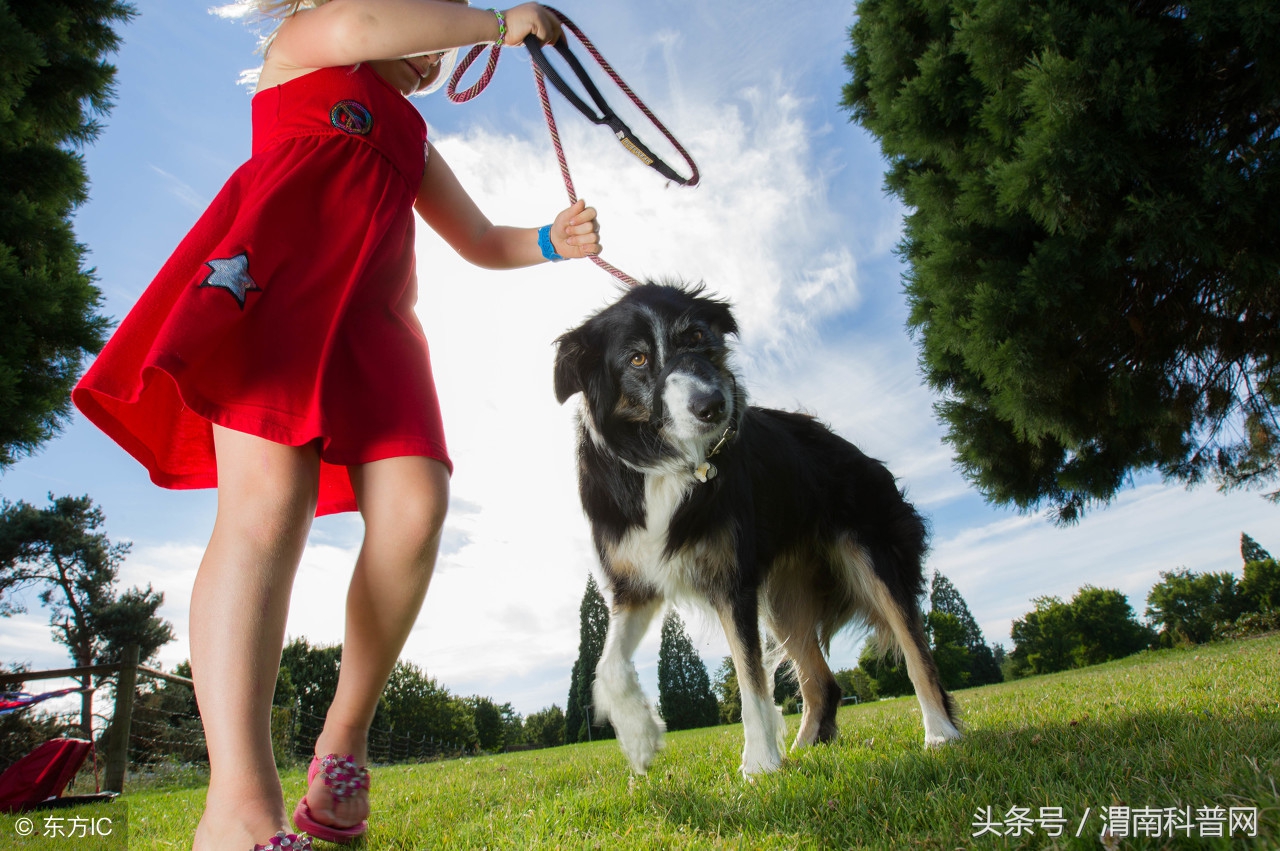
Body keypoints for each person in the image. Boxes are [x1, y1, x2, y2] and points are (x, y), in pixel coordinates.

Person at [72, 1, 600, 848]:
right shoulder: (306, 50)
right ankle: (237, 807)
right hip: (272, 294)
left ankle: (342, 742)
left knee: (417, 506)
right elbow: (361, 28)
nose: (431, 50)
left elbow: (476, 238)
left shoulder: (410, 137)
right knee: (265, 511)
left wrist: (549, 239)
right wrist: (495, 23)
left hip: (375, 330)